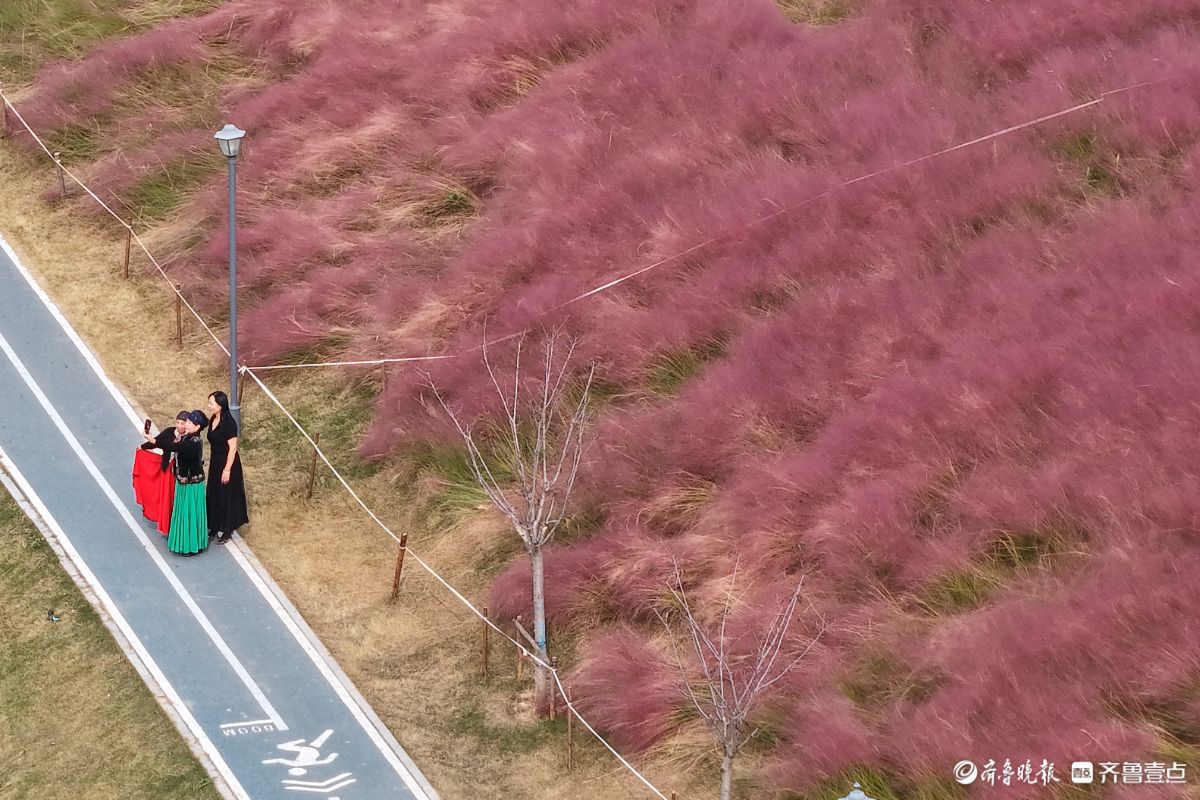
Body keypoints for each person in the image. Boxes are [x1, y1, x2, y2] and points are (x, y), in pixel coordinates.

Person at [144, 410, 209, 556]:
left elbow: (174, 447)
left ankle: (188, 545)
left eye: (189, 422)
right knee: (188, 513)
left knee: (187, 514)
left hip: (190, 485)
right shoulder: (190, 438)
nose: (186, 424)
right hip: (187, 482)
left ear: (197, 427)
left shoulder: (192, 443)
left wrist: (153, 440)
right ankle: (193, 542)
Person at [132, 411, 189, 535]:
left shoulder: (189, 438)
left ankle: (179, 524)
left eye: (183, 423)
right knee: (167, 499)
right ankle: (169, 524)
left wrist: (153, 441)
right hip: (168, 471)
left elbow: (164, 445)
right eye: (178, 422)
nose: (180, 426)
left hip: (181, 474)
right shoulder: (170, 432)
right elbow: (158, 442)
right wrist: (143, 447)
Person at [206, 390, 248, 544]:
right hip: (215, 463)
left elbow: (233, 448)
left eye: (212, 403)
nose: (209, 406)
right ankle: (214, 525)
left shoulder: (229, 423)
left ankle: (227, 529)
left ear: (220, 405)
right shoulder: (213, 419)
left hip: (227, 464)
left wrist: (227, 469)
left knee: (227, 496)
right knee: (214, 493)